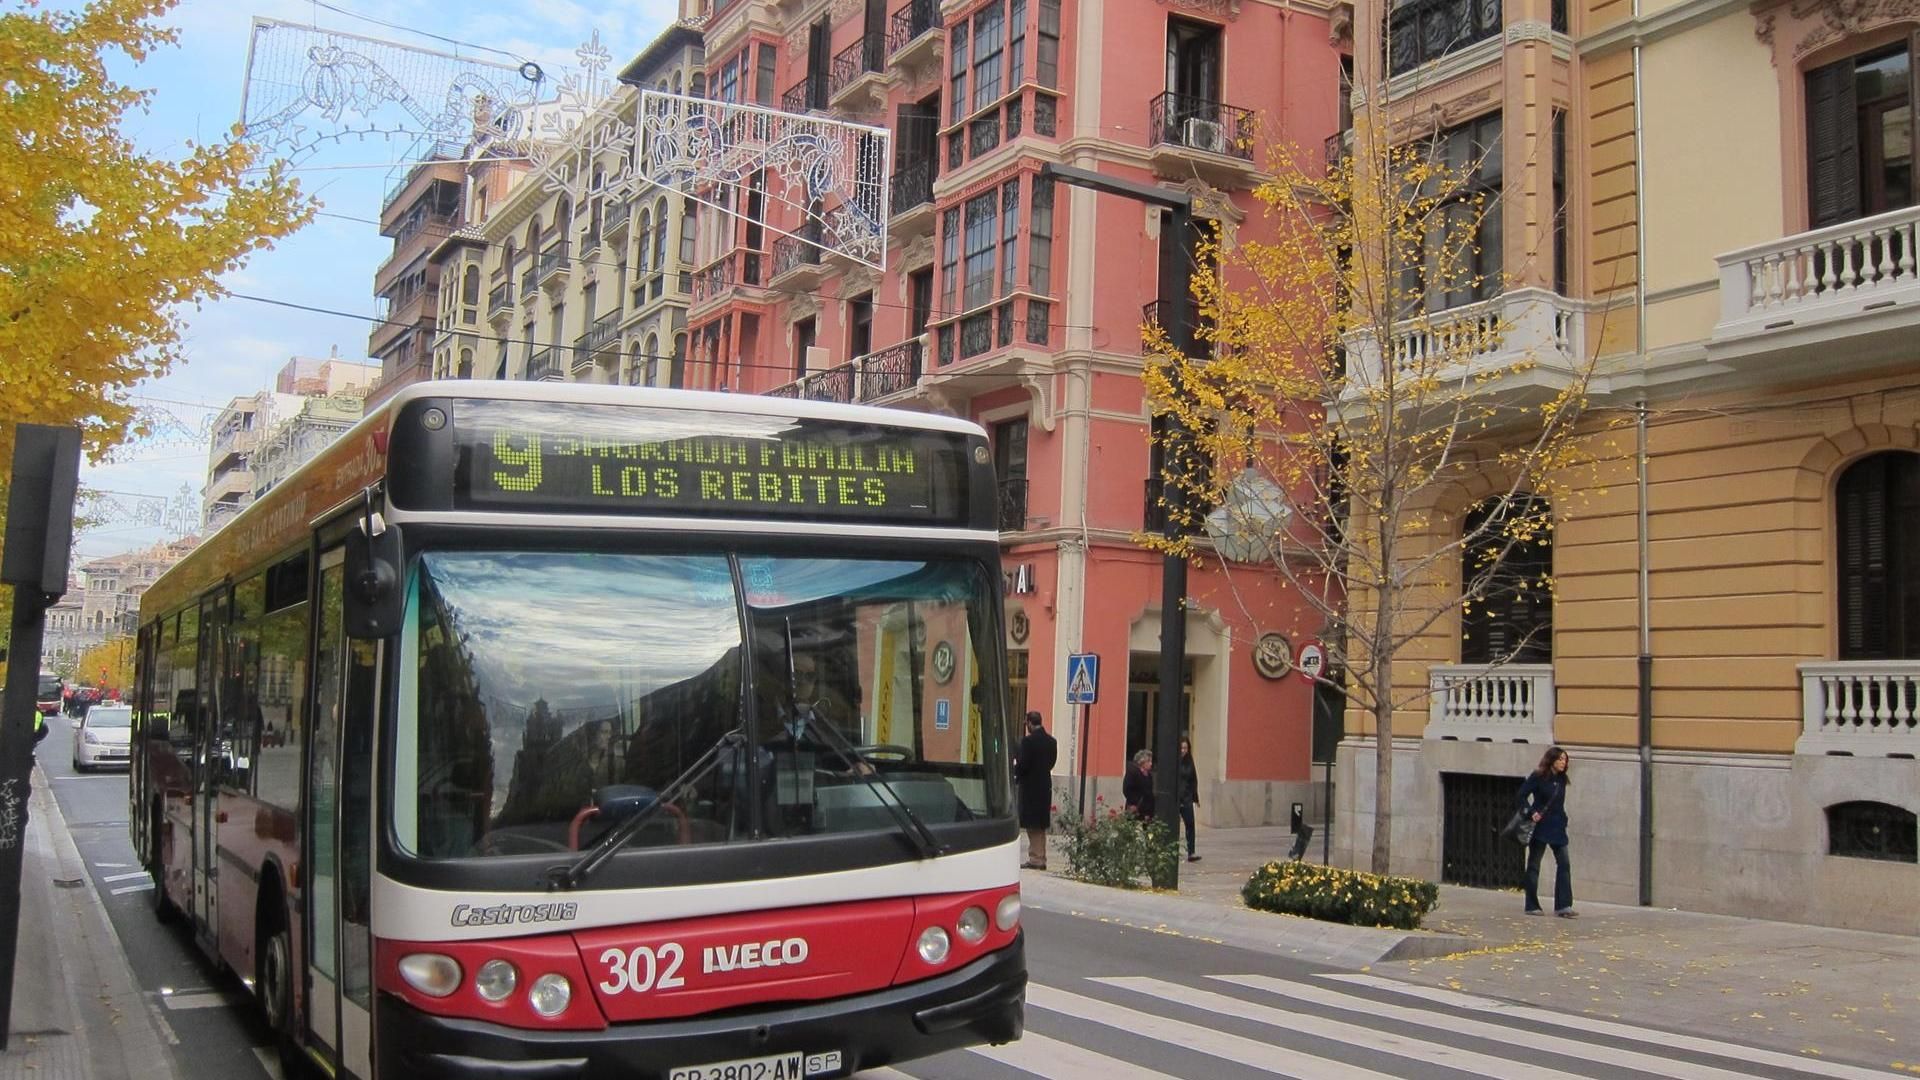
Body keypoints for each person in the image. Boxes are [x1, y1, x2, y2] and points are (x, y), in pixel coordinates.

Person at [1514, 745, 1574, 917]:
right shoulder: (1538, 777)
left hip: (1558, 827)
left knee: (1564, 864)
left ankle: (1563, 905)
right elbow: (1521, 795)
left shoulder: (1562, 779)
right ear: (1552, 760)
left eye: (1565, 760)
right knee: (1534, 865)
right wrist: (1531, 812)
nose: (1563, 763)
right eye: (1560, 759)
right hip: (1540, 826)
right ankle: (1531, 904)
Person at [1012, 710, 1057, 869]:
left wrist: (1016, 774)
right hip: (1045, 785)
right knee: (1040, 823)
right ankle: (1040, 856)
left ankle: (1036, 858)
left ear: (1030, 723)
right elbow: (1051, 763)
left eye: (1027, 724)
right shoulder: (1052, 741)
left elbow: (1023, 765)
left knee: (1032, 824)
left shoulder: (1028, 742)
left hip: (1031, 787)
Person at [1176, 736, 1201, 862]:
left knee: (1190, 824)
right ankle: (1172, 851)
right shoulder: (1174, 761)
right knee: (1173, 826)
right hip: (1175, 798)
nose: (1183, 750)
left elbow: (1193, 780)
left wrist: (1195, 797)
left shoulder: (1189, 762)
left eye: (1185, 748)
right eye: (1181, 748)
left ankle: (1191, 852)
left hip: (1186, 798)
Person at [1122, 749, 1155, 823]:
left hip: (1147, 809)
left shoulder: (1149, 775)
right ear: (1142, 762)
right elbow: (1126, 789)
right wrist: (1134, 802)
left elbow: (1149, 792)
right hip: (1135, 807)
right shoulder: (1132, 772)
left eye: (1151, 761)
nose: (1151, 764)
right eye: (1149, 761)